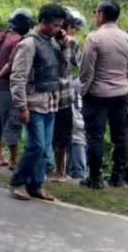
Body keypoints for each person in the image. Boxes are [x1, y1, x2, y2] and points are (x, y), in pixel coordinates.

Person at [9, 3, 69, 202]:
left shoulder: (54, 42)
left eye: (60, 26)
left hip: (51, 102)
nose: (58, 29)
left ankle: (36, 184)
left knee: (45, 148)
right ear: (43, 22)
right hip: (34, 103)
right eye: (55, 25)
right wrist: (22, 106)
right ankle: (18, 181)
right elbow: (18, 77)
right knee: (36, 145)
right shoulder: (28, 44)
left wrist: (64, 46)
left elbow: (64, 69)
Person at [79, 0, 128, 189]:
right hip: (120, 94)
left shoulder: (94, 39)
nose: (95, 14)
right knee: (121, 137)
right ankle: (118, 176)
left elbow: (86, 70)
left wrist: (84, 90)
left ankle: (95, 178)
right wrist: (125, 86)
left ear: (102, 15)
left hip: (97, 94)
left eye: (96, 11)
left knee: (95, 136)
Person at [0, 8, 34, 170]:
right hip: (7, 89)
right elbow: (12, 64)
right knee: (12, 122)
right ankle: (13, 160)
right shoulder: (19, 40)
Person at [48, 10, 83, 182]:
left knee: (62, 136)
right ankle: (52, 169)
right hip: (51, 96)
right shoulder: (47, 41)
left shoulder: (72, 43)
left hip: (63, 96)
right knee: (50, 135)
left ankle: (60, 171)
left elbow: (81, 63)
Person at [67, 78, 87, 180]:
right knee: (79, 157)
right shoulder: (77, 84)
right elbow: (74, 108)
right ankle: (78, 178)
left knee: (73, 152)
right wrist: (80, 124)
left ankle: (72, 175)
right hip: (79, 125)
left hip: (86, 125)